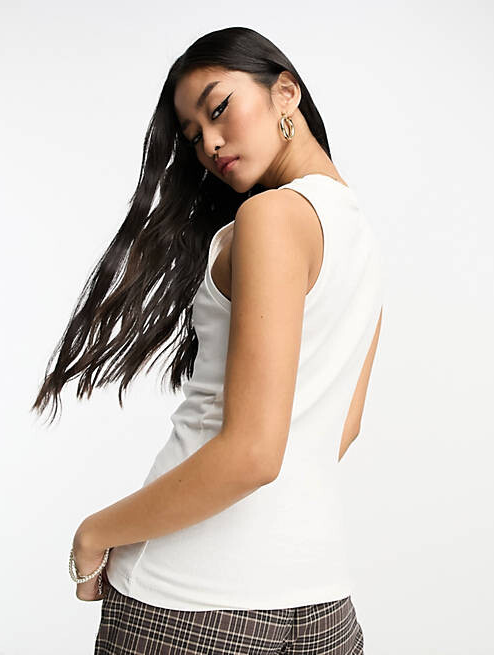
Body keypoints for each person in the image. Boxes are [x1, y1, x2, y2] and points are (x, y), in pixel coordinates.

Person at [31, 26, 383, 654]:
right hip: (321, 602)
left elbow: (252, 454)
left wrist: (95, 533)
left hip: (190, 605)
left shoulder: (271, 216)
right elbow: (341, 430)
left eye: (218, 109)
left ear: (286, 91)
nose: (210, 144)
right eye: (193, 137)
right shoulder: (359, 233)